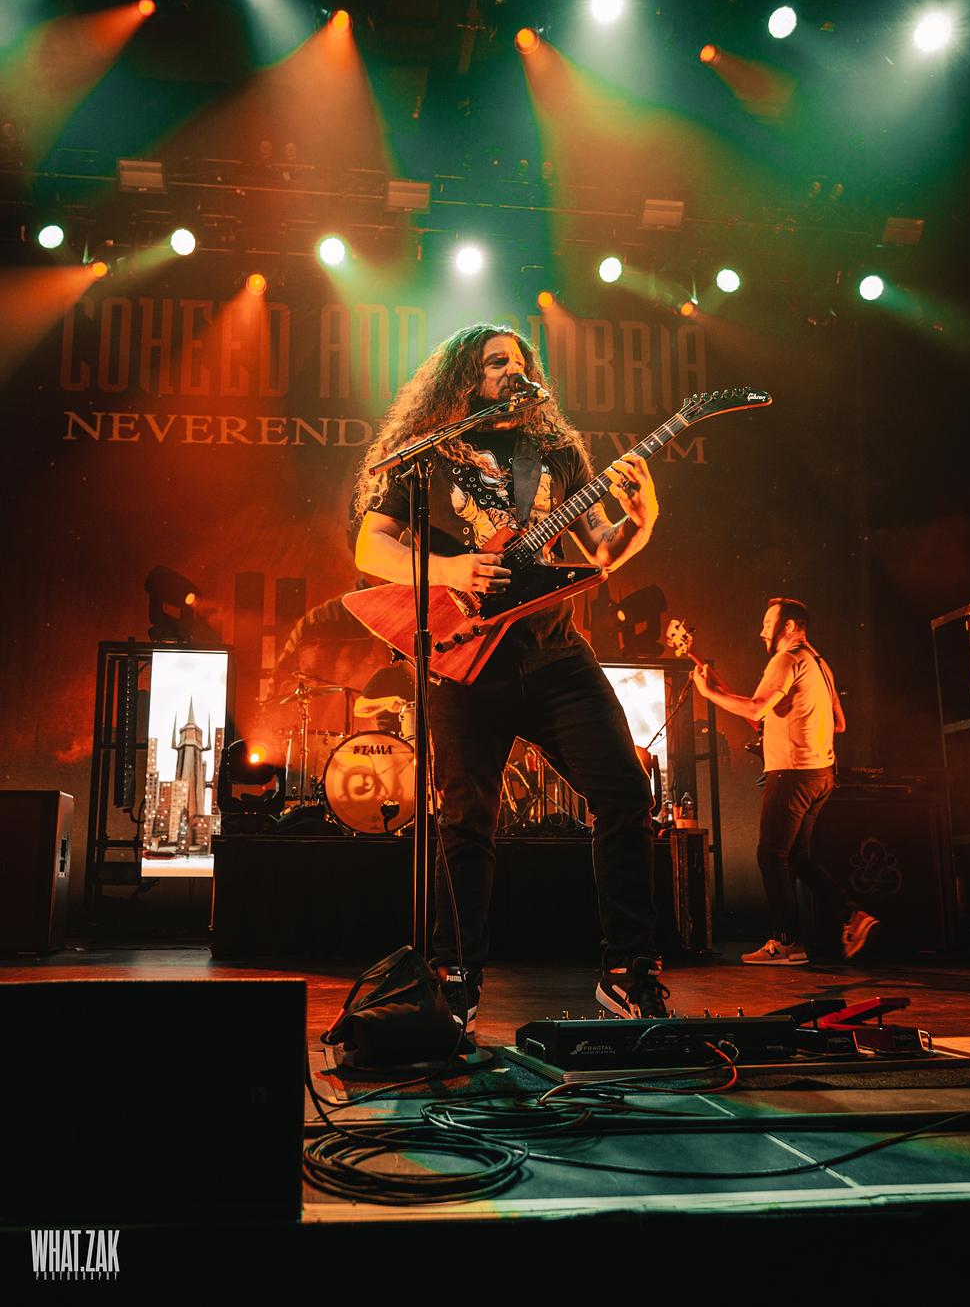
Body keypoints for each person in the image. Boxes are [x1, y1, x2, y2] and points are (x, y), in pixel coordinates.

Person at [352, 322, 666, 1039]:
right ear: (465, 377)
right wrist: (454, 569)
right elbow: (372, 546)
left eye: (520, 364)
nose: (511, 374)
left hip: (555, 652)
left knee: (624, 792)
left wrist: (642, 522)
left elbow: (601, 550)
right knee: (466, 820)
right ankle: (456, 979)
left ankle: (628, 969)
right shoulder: (428, 454)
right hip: (466, 658)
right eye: (496, 363)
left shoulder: (554, 451)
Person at [692, 597, 878, 965]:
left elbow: (755, 708)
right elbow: (839, 723)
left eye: (767, 623)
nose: (761, 631)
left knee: (770, 855)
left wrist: (709, 693)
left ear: (789, 626)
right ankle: (851, 916)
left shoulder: (786, 659)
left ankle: (786, 942)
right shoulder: (819, 663)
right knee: (796, 856)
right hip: (821, 775)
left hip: (792, 774)